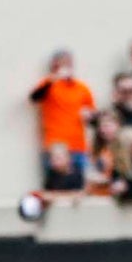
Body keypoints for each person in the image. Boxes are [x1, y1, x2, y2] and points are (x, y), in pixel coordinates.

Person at [29, 50, 96, 186]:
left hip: (78, 147)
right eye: (62, 65)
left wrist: (90, 116)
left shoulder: (82, 88)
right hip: (55, 148)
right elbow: (34, 97)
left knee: (80, 186)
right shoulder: (48, 84)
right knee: (54, 186)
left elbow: (93, 116)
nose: (66, 68)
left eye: (69, 64)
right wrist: (53, 78)